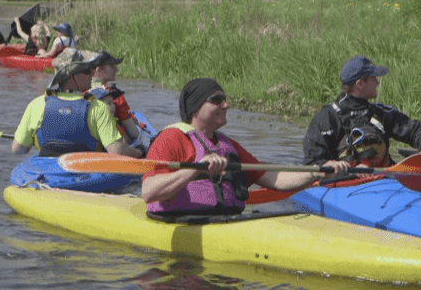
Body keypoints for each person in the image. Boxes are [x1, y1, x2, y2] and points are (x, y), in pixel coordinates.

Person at [142, 78, 349, 217]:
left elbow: (273, 179)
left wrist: (317, 172)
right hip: (179, 221)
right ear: (196, 107)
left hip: (226, 221)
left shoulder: (228, 146)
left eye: (225, 99)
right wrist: (196, 167)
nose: (226, 105)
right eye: (217, 100)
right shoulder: (171, 139)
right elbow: (149, 192)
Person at [302, 55, 421, 169]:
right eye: (373, 78)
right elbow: (312, 163)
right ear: (360, 84)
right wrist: (326, 165)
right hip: (343, 185)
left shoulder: (380, 113)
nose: (377, 82)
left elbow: (417, 130)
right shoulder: (325, 118)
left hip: (383, 181)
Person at [11, 64, 145, 159]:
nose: (92, 74)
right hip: (88, 173)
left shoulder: (37, 104)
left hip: (49, 171)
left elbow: (18, 149)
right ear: (71, 76)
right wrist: (139, 153)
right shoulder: (97, 107)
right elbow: (116, 152)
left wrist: (34, 143)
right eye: (87, 71)